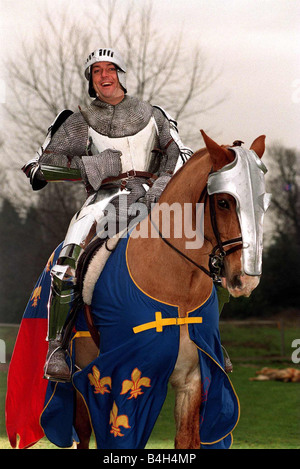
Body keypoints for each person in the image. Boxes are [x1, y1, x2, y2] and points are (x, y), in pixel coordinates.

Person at [22, 47, 192, 382]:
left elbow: (181, 152)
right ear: (91, 80)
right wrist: (89, 166)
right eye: (96, 71)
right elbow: (37, 168)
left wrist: (163, 184)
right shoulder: (78, 120)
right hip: (104, 199)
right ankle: (56, 346)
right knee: (67, 258)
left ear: (120, 74)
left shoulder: (154, 114)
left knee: (199, 247)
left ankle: (207, 337)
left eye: (109, 69)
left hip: (155, 195)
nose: (104, 76)